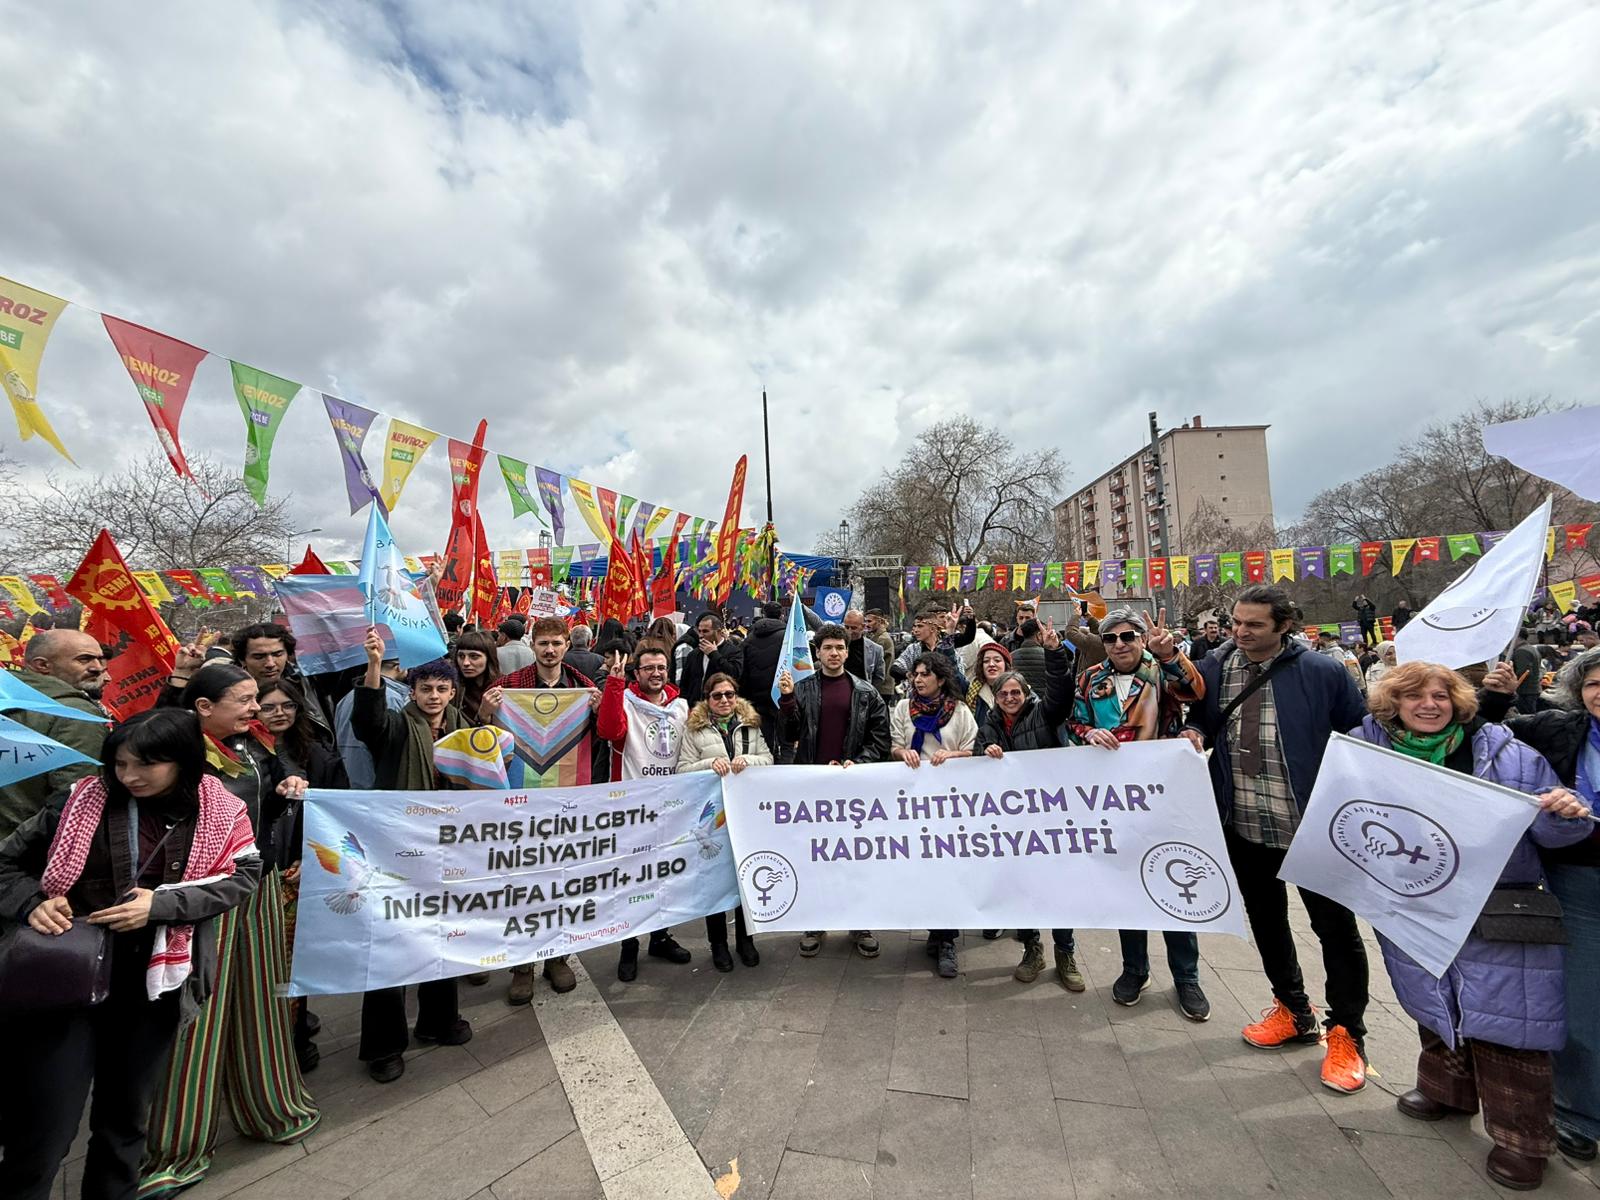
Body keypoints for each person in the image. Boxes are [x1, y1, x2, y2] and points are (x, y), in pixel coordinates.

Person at [0, 710, 261, 1200]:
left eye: (146, 764)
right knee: (44, 1126)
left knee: (124, 1119)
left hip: (154, 984)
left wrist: (161, 905)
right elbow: (5, 863)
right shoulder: (77, 803)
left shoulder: (222, 811)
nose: (129, 776)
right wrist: (34, 902)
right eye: (120, 763)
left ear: (183, 761)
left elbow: (243, 876)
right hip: (64, 979)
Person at [1353, 661, 1592, 1191]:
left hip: (1501, 904)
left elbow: (1554, 836)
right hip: (1417, 902)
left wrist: (1562, 812)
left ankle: (1521, 1139)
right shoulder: (1369, 752)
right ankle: (1444, 1091)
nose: (1428, 705)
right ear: (1393, 705)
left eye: (1439, 695)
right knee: (1434, 998)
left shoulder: (1512, 756)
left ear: (1459, 700)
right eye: (1414, 697)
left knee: (1510, 1017)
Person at [1180, 584, 1372, 1094]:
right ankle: (1291, 1007)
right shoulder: (1219, 667)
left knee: (1335, 931)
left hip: (1312, 826)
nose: (1240, 632)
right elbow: (1202, 718)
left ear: (1284, 625)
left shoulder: (1323, 672)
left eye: (1254, 625)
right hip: (1243, 820)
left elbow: (1358, 738)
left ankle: (1347, 1032)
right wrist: (1194, 733)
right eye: (1237, 622)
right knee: (1266, 919)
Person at [140, 667, 319, 1193]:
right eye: (242, 701)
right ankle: (178, 1148)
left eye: (254, 700)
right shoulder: (176, 758)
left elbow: (257, 810)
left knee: (261, 1000)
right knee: (199, 1014)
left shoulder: (249, 744)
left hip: (257, 887)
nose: (255, 709)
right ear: (201, 707)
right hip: (205, 899)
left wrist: (286, 791)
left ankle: (271, 1108)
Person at [1480, 652, 1600, 1165]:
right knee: (1581, 999)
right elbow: (1485, 734)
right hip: (1580, 882)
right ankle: (1577, 1114)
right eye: (1594, 683)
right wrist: (1499, 694)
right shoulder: (1558, 728)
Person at [1060, 609, 1209, 1018]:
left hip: (1161, 793)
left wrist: (1170, 655)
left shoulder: (1161, 670)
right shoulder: (1091, 678)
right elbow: (1073, 722)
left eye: (1128, 636)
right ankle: (1134, 969)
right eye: (1111, 638)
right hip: (1114, 798)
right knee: (1129, 885)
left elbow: (1196, 692)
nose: (1120, 644)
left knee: (1173, 882)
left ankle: (1186, 977)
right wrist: (1088, 732)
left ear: (1142, 638)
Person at [350, 633, 474, 1082]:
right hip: (399, 849)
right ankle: (384, 1047)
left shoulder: (465, 730)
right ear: (413, 692)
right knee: (392, 943)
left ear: (453, 692)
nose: (435, 697)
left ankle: (438, 1022)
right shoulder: (397, 726)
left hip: (450, 850)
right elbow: (367, 721)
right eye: (427, 689)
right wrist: (374, 667)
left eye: (442, 689)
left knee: (442, 933)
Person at [493, 616, 597, 1003]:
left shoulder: (582, 687)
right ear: (533, 646)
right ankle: (522, 965)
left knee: (562, 880)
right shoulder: (507, 687)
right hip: (520, 806)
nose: (550, 650)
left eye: (556, 643)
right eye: (543, 644)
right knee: (521, 885)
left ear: (567, 644)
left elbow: (605, 734)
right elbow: (486, 738)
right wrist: (488, 712)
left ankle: (557, 956)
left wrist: (602, 707)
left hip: (567, 805)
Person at [780, 623, 891, 959]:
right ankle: (815, 921)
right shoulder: (802, 688)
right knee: (815, 858)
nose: (833, 653)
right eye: (827, 647)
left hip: (852, 790)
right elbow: (788, 735)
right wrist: (786, 702)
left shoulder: (865, 692)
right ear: (817, 652)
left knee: (856, 858)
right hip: (813, 789)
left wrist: (855, 763)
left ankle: (860, 922)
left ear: (846, 651)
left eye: (839, 648)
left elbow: (880, 739)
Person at [975, 628, 1076, 985]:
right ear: (996, 697)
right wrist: (985, 752)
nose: (1010, 697)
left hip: (1050, 816)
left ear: (1026, 693)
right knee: (1021, 886)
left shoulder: (1043, 713)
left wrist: (1055, 655)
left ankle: (1066, 953)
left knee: (1057, 886)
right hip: (1011, 823)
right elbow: (976, 759)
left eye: (1015, 692)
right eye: (1003, 694)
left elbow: (1063, 695)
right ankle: (1032, 948)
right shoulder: (989, 724)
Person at [595, 638, 694, 981]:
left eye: (661, 668)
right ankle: (629, 944)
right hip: (631, 807)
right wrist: (613, 684)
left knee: (665, 875)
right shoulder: (624, 700)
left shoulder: (681, 706)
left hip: (670, 807)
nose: (656, 673)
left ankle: (660, 936)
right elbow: (609, 730)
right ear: (637, 672)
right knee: (631, 878)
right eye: (649, 668)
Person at [891, 652, 979, 979]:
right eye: (916, 674)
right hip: (915, 803)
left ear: (940, 679)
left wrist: (952, 754)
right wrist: (904, 752)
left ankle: (947, 940)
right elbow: (895, 745)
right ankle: (935, 930)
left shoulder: (960, 712)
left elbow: (975, 748)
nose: (918, 680)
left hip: (951, 803)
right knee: (924, 869)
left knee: (949, 870)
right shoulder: (903, 709)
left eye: (926, 674)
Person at [680, 672, 772, 971]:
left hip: (745, 814)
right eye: (717, 695)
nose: (724, 700)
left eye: (729, 694)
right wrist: (710, 764)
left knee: (745, 876)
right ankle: (718, 944)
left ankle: (746, 940)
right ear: (707, 698)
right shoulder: (694, 730)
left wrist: (749, 761)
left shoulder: (750, 725)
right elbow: (682, 769)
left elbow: (768, 760)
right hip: (711, 817)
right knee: (714, 882)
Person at [0, 628, 109, 841]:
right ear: (42, 665)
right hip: (25, 857)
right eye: (84, 659)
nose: (98, 668)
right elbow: (75, 799)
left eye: (99, 659)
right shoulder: (76, 713)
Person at [333, 655, 410, 789]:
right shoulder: (393, 698)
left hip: (346, 776)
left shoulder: (346, 697)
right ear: (399, 667)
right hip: (374, 779)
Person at [739, 601, 789, 755]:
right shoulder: (787, 637)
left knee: (763, 741)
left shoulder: (748, 639)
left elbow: (742, 670)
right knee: (786, 741)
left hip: (756, 697)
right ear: (781, 615)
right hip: (782, 695)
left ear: (763, 614)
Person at [675, 612, 745, 707]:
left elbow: (734, 674)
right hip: (696, 709)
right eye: (699, 631)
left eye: (705, 631)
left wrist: (714, 654)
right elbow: (685, 683)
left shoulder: (733, 651)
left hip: (722, 707)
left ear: (719, 631)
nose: (701, 635)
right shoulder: (694, 654)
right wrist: (686, 705)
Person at [451, 629, 503, 725]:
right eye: (461, 656)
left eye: (474, 656)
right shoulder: (451, 687)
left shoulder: (504, 687)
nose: (466, 663)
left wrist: (485, 716)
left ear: (489, 658)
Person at [965, 641, 1012, 729]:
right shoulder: (972, 690)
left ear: (1006, 665)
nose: (991, 664)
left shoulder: (1020, 692)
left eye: (997, 660)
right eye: (986, 661)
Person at [840, 609, 886, 691]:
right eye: (846, 627)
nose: (849, 631)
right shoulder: (836, 645)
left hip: (863, 694)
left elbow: (879, 677)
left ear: (863, 626)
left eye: (853, 628)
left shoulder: (876, 649)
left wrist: (871, 694)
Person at [1007, 618, 1052, 698]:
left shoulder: (1010, 657)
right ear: (1039, 635)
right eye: (1044, 632)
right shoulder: (1050, 656)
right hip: (1045, 704)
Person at [1315, 627, 1366, 693]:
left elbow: (1342, 668)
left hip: (1347, 686)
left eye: (1319, 639)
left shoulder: (1337, 651)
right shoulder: (1323, 651)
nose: (1318, 641)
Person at [864, 609, 899, 703]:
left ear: (879, 621)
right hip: (883, 686)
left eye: (869, 621)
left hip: (882, 687)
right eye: (866, 621)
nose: (867, 624)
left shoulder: (881, 639)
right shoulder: (879, 637)